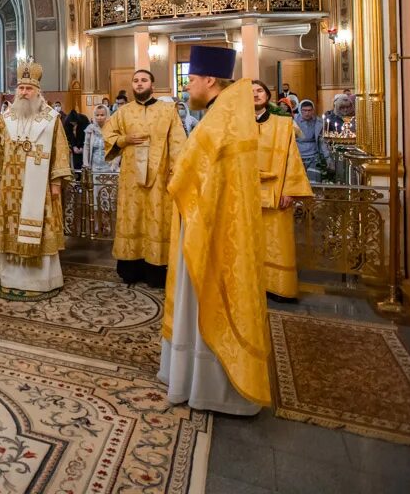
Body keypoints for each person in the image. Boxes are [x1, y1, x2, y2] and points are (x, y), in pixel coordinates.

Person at [159, 46, 270, 416]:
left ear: (209, 80)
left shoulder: (221, 119)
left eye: (190, 80)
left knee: (204, 298)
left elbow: (190, 173)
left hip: (210, 226)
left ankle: (209, 387)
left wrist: (176, 179)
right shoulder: (227, 114)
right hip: (212, 219)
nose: (187, 88)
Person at [0, 60, 72, 292]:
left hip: (39, 188)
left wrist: (55, 182)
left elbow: (60, 151)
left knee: (39, 231)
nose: (24, 93)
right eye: (21, 88)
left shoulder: (51, 119)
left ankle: (41, 281)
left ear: (37, 92)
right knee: (12, 229)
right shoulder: (6, 119)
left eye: (28, 88)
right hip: (11, 187)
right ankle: (12, 280)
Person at [103, 69, 186, 286]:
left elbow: (178, 143)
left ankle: (156, 271)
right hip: (131, 180)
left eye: (144, 80)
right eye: (136, 81)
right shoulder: (123, 112)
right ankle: (131, 269)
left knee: (157, 219)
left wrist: (175, 172)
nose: (139, 84)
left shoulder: (168, 111)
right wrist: (124, 139)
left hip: (160, 179)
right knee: (133, 218)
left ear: (152, 84)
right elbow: (108, 135)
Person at [253, 81, 313, 301]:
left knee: (277, 240)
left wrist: (290, 190)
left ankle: (278, 287)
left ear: (268, 95)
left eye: (259, 90)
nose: (255, 95)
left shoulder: (283, 124)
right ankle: (253, 284)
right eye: (250, 92)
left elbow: (292, 158)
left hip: (277, 190)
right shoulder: (238, 126)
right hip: (246, 191)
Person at [293, 99, 329, 181]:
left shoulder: (318, 122)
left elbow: (322, 141)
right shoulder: (293, 121)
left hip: (313, 156)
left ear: (313, 111)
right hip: (297, 155)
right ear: (300, 110)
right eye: (304, 110)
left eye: (309, 110)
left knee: (314, 181)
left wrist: (327, 157)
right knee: (298, 182)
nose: (307, 113)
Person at [83, 104, 119, 173]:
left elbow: (118, 148)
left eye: (102, 115)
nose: (99, 117)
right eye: (97, 115)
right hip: (94, 167)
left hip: (109, 168)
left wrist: (114, 164)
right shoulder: (90, 129)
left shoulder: (113, 129)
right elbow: (86, 147)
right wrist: (86, 164)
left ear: (107, 115)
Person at [65, 106, 90, 171]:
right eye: (72, 123)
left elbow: (86, 134)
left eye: (75, 123)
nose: (73, 124)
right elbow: (69, 135)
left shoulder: (83, 119)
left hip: (84, 144)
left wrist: (82, 146)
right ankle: (78, 178)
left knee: (85, 163)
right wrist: (74, 146)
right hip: (75, 146)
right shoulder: (67, 121)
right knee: (76, 164)